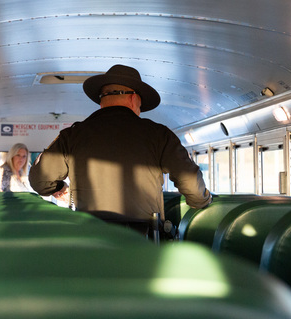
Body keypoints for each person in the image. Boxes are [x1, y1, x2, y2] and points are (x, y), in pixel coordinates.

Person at [29, 64, 211, 221]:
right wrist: (202, 201)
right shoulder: (158, 134)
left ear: (102, 102)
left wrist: (60, 187)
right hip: (143, 241)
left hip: (92, 238)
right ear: (133, 99)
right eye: (140, 106)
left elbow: (39, 181)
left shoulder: (72, 135)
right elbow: (191, 183)